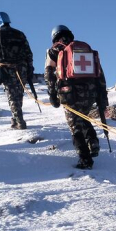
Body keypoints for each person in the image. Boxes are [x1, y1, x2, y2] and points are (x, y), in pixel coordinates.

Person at [44, 25, 108, 170]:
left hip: (69, 93)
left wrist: (53, 95)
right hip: (90, 92)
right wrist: (102, 98)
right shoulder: (86, 49)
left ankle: (85, 160)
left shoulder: (54, 50)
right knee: (84, 117)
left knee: (75, 127)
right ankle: (93, 141)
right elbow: (100, 75)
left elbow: (49, 74)